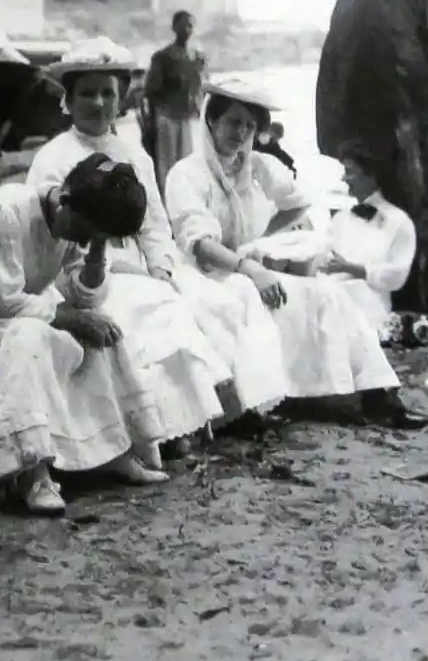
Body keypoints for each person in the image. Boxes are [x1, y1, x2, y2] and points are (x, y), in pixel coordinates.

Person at [0, 154, 170, 516]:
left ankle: (111, 449)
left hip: (5, 317)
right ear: (64, 199)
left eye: (96, 236)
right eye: (86, 232)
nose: (85, 241)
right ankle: (31, 472)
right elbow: (2, 302)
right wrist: (70, 318)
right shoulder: (7, 210)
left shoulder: (74, 223)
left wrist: (98, 250)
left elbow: (83, 297)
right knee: (27, 337)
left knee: (101, 329)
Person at [29, 41, 277, 446]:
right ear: (68, 101)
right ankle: (162, 429)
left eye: (107, 93)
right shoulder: (53, 158)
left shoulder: (134, 155)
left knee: (210, 301)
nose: (98, 103)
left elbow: (155, 223)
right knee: (151, 314)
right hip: (87, 272)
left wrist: (161, 266)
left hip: (145, 264)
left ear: (120, 100)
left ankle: (220, 411)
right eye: (87, 93)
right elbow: (52, 234)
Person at [164, 79, 428, 429]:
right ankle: (250, 407)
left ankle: (379, 397)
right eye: (233, 122)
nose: (240, 133)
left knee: (326, 293)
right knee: (245, 297)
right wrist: (250, 268)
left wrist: (261, 240)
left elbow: (299, 201)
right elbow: (198, 243)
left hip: (247, 266)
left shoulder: (258, 167)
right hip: (203, 272)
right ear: (211, 120)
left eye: (249, 126)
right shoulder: (186, 173)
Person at [318, 139, 417, 338]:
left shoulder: (399, 221)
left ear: (370, 175)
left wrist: (356, 270)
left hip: (371, 320)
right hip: (330, 315)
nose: (344, 179)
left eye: (350, 172)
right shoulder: (340, 219)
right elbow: (324, 261)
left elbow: (398, 275)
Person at [143, 10, 206, 197]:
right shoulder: (162, 57)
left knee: (186, 162)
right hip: (166, 115)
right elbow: (151, 91)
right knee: (167, 163)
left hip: (187, 117)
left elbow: (199, 87)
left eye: (190, 26)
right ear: (174, 27)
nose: (186, 29)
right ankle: (166, 199)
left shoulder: (196, 58)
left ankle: (182, 198)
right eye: (182, 25)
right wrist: (150, 121)